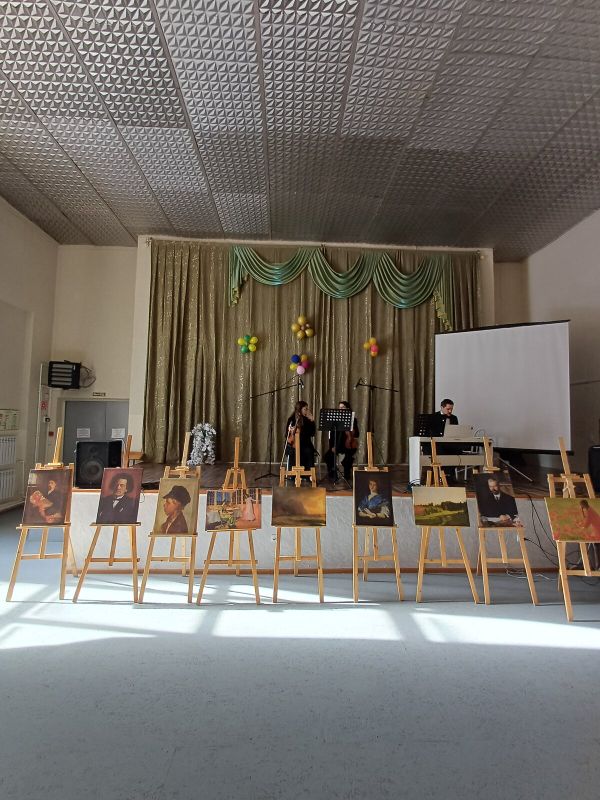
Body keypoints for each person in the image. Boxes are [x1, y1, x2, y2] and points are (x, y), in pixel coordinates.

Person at [324, 400, 359, 482]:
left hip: (349, 443)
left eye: (343, 407)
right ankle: (333, 474)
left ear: (348, 409)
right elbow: (331, 436)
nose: (341, 409)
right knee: (328, 456)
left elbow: (357, 434)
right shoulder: (335, 420)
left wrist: (352, 430)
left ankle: (347, 473)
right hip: (337, 444)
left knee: (349, 456)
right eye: (340, 408)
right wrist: (332, 446)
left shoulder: (353, 419)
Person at [284, 400, 316, 473]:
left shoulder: (307, 420)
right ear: (299, 410)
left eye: (307, 409)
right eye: (305, 409)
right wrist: (291, 432)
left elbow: (312, 433)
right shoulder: (291, 419)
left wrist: (312, 421)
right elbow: (286, 435)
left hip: (306, 444)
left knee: (308, 451)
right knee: (294, 452)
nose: (307, 411)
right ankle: (293, 474)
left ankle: (308, 474)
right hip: (293, 445)